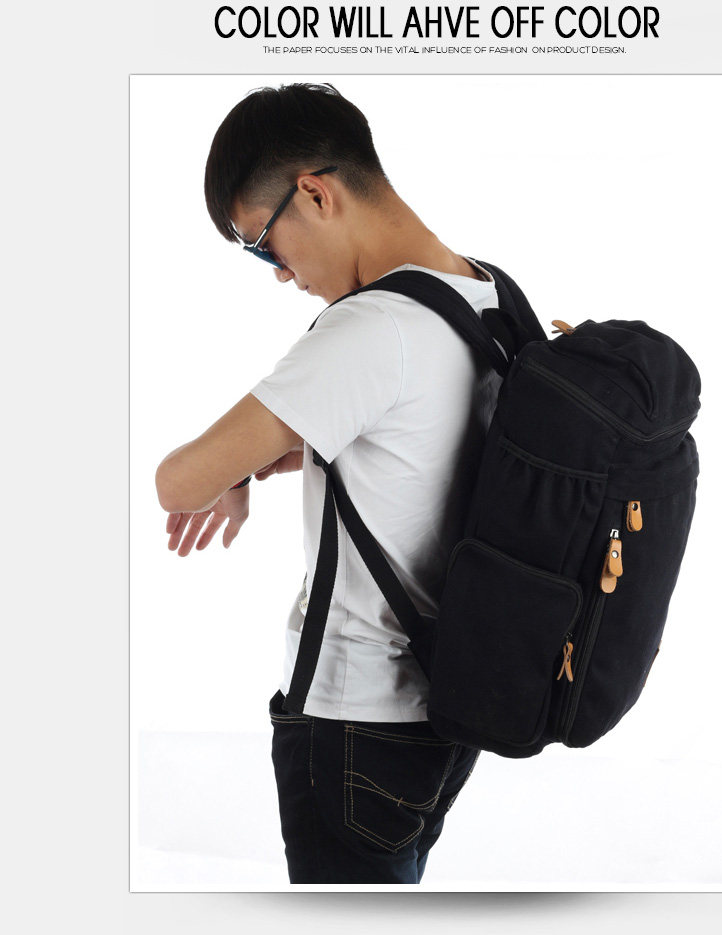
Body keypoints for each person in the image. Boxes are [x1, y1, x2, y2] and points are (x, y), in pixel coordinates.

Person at [155, 82, 503, 884]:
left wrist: (231, 470)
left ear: (314, 192)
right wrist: (272, 457)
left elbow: (178, 482)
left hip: (354, 722)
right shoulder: (486, 294)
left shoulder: (372, 327)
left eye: (262, 243)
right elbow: (421, 449)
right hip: (448, 706)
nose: (279, 274)